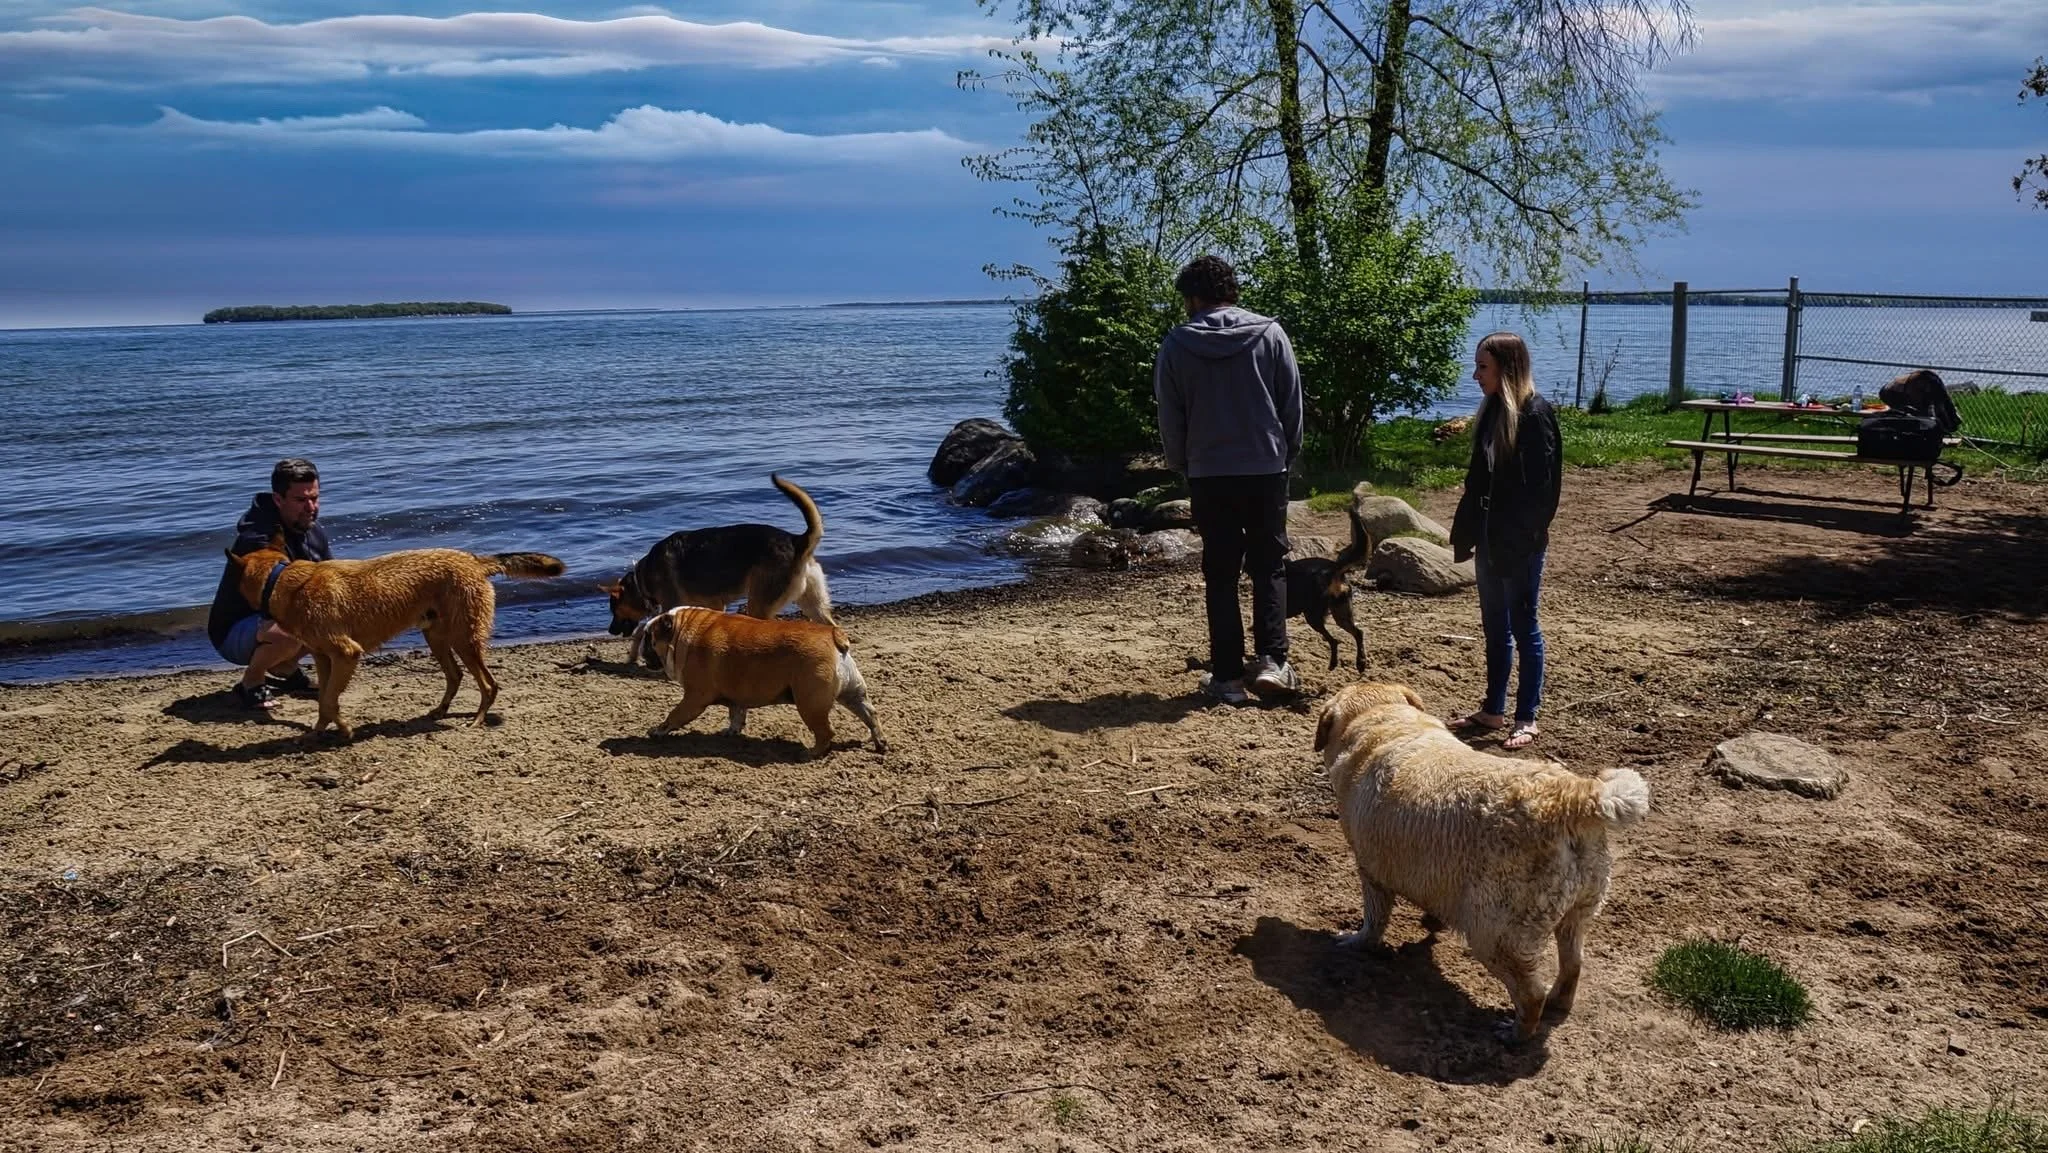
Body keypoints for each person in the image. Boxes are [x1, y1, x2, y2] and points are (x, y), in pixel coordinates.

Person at [1153, 254, 1305, 704]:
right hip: (1265, 466)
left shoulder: (1176, 344)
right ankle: (1273, 662)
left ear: (1192, 297)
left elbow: (1170, 414)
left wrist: (1180, 462)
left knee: (1220, 573)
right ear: (1231, 290)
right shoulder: (1270, 334)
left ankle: (1227, 677)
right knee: (1268, 565)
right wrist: (1288, 452)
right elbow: (1291, 401)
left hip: (1209, 470)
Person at [1448, 332, 1562, 749]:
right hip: (1489, 536)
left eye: (1483, 367)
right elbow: (1478, 481)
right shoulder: (1492, 411)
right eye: (1477, 366)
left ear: (1506, 369)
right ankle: (1493, 709)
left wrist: (1525, 538)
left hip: (1519, 543)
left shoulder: (1535, 415)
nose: (1475, 375)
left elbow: (1543, 492)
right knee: (1495, 627)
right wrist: (1468, 530)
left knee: (1524, 626)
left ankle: (1526, 716)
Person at [206, 458, 332, 709]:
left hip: (276, 621)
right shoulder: (257, 540)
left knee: (336, 617)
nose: (311, 507)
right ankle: (251, 683)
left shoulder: (312, 529)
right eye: (301, 500)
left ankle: (285, 667)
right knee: (294, 627)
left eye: (315, 498)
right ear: (278, 499)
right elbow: (279, 601)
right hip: (235, 631)